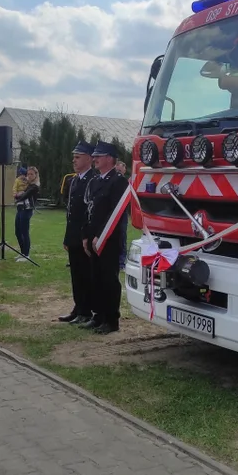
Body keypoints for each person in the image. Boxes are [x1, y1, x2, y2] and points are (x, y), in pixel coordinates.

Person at [81, 141, 129, 334]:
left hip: (109, 239)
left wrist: (100, 235)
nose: (95, 159)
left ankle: (111, 320)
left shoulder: (118, 181)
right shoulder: (95, 181)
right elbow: (89, 210)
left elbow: (115, 213)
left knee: (109, 280)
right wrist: (86, 235)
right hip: (93, 238)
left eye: (98, 156)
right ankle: (98, 315)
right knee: (96, 278)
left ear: (109, 158)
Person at [59, 141, 97, 324]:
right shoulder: (74, 179)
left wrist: (86, 236)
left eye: (78, 157)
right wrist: (67, 237)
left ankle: (86, 310)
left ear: (89, 158)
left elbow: (89, 211)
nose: (74, 160)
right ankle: (78, 307)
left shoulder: (93, 179)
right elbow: (70, 211)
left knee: (85, 273)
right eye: (73, 157)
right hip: (73, 235)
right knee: (75, 274)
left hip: (86, 236)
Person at [14, 166, 39, 261]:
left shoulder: (35, 186)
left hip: (27, 210)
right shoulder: (28, 185)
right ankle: (23, 252)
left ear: (36, 175)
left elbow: (24, 195)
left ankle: (26, 254)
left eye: (31, 174)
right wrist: (18, 194)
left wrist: (19, 195)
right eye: (28, 174)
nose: (29, 176)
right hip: (20, 209)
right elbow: (19, 194)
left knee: (24, 231)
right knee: (17, 231)